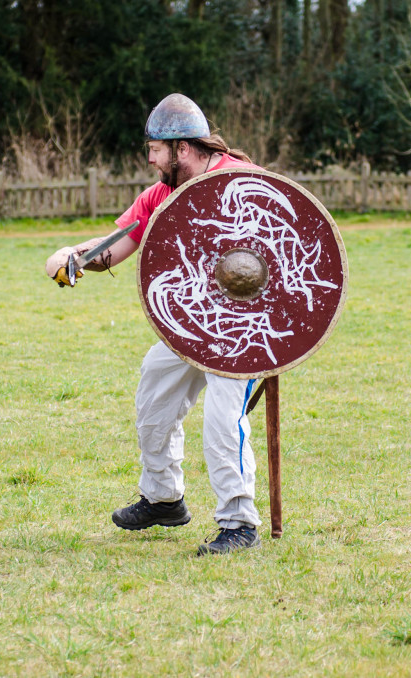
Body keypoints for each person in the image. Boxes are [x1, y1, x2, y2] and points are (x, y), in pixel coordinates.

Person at [45, 93, 264, 556]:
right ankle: (164, 498)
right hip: (190, 321)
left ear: (182, 148)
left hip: (245, 327)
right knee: (154, 398)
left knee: (223, 422)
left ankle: (239, 523)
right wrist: (73, 256)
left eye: (155, 149)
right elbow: (116, 245)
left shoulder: (242, 181)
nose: (149, 158)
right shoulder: (158, 196)